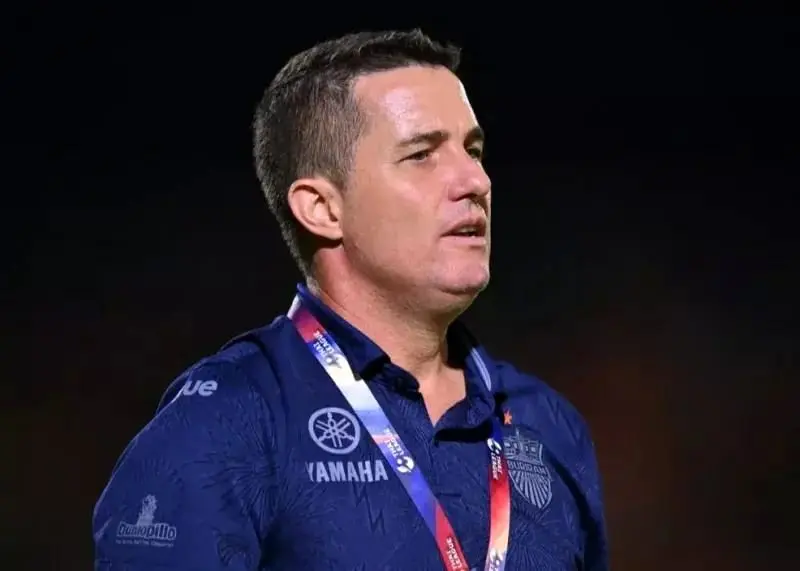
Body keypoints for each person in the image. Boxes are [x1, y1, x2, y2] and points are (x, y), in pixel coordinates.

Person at [93, 29, 609, 570]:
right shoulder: (227, 418)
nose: (475, 180)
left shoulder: (549, 424)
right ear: (321, 209)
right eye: (422, 154)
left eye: (473, 150)